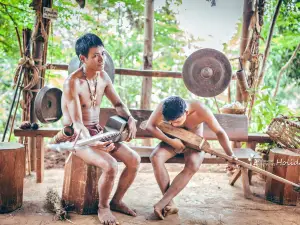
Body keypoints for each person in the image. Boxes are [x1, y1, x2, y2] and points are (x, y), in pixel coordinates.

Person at [61, 33, 140, 225]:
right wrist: (95, 143)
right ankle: (103, 208)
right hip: (79, 138)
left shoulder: (103, 76)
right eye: (96, 55)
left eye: (103, 54)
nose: (101, 59)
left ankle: (116, 201)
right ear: (82, 58)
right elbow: (78, 123)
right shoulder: (72, 83)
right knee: (111, 165)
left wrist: (130, 118)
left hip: (98, 131)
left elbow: (119, 104)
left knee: (134, 160)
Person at [145, 96, 236, 220]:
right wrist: (171, 142)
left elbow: (219, 132)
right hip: (172, 140)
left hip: (194, 143)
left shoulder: (201, 109)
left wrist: (230, 155)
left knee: (193, 164)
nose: (172, 124)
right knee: (155, 157)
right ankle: (170, 203)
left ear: (186, 112)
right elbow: (149, 126)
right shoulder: (164, 105)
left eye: (176, 121)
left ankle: (162, 202)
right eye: (170, 122)